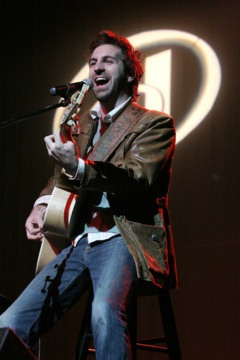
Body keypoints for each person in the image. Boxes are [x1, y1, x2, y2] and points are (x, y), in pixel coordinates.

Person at [0, 30, 177, 359]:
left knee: (103, 312)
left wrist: (79, 167)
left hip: (122, 236)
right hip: (80, 241)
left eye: (107, 61)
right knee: (7, 323)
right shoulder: (84, 125)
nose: (96, 68)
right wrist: (41, 206)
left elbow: (137, 176)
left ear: (129, 72)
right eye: (93, 62)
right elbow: (60, 177)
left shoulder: (154, 124)